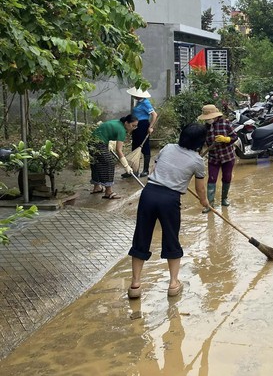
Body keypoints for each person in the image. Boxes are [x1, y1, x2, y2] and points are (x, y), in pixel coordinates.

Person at [127, 123, 210, 299]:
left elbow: (156, 169)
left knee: (141, 236)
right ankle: (173, 284)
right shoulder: (197, 161)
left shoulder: (168, 147)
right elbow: (201, 190)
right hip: (170, 199)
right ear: (200, 141)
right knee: (171, 237)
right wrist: (205, 203)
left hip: (149, 193)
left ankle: (135, 285)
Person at [198, 104, 237, 214]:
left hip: (227, 156)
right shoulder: (205, 128)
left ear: (215, 116)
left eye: (209, 118)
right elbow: (201, 143)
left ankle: (224, 199)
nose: (208, 120)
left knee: (227, 177)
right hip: (213, 157)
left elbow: (235, 137)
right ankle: (209, 204)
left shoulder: (225, 123)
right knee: (211, 179)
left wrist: (226, 139)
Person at [89, 114, 138, 199]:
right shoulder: (122, 130)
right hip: (98, 143)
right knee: (109, 164)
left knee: (96, 163)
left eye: (135, 126)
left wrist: (108, 144)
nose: (134, 128)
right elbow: (119, 150)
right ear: (126, 123)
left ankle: (97, 187)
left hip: (92, 141)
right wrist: (126, 166)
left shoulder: (118, 123)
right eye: (133, 125)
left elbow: (106, 131)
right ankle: (108, 192)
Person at [122, 87, 158, 178]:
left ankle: (145, 170)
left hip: (143, 125)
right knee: (134, 147)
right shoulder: (138, 102)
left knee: (144, 146)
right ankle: (133, 170)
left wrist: (151, 127)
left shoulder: (145, 102)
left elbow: (154, 115)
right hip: (136, 126)